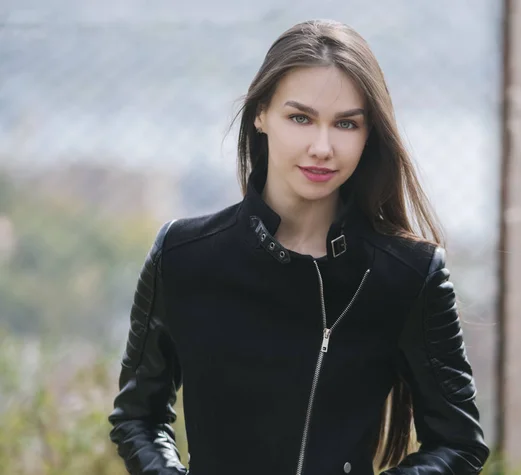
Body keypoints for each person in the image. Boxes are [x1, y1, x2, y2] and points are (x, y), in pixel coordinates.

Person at [108, 18, 489, 475]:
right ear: (261, 113)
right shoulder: (183, 256)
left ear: (369, 135)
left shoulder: (409, 276)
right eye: (300, 118)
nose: (322, 146)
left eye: (346, 124)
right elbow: (139, 417)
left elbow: (459, 444)